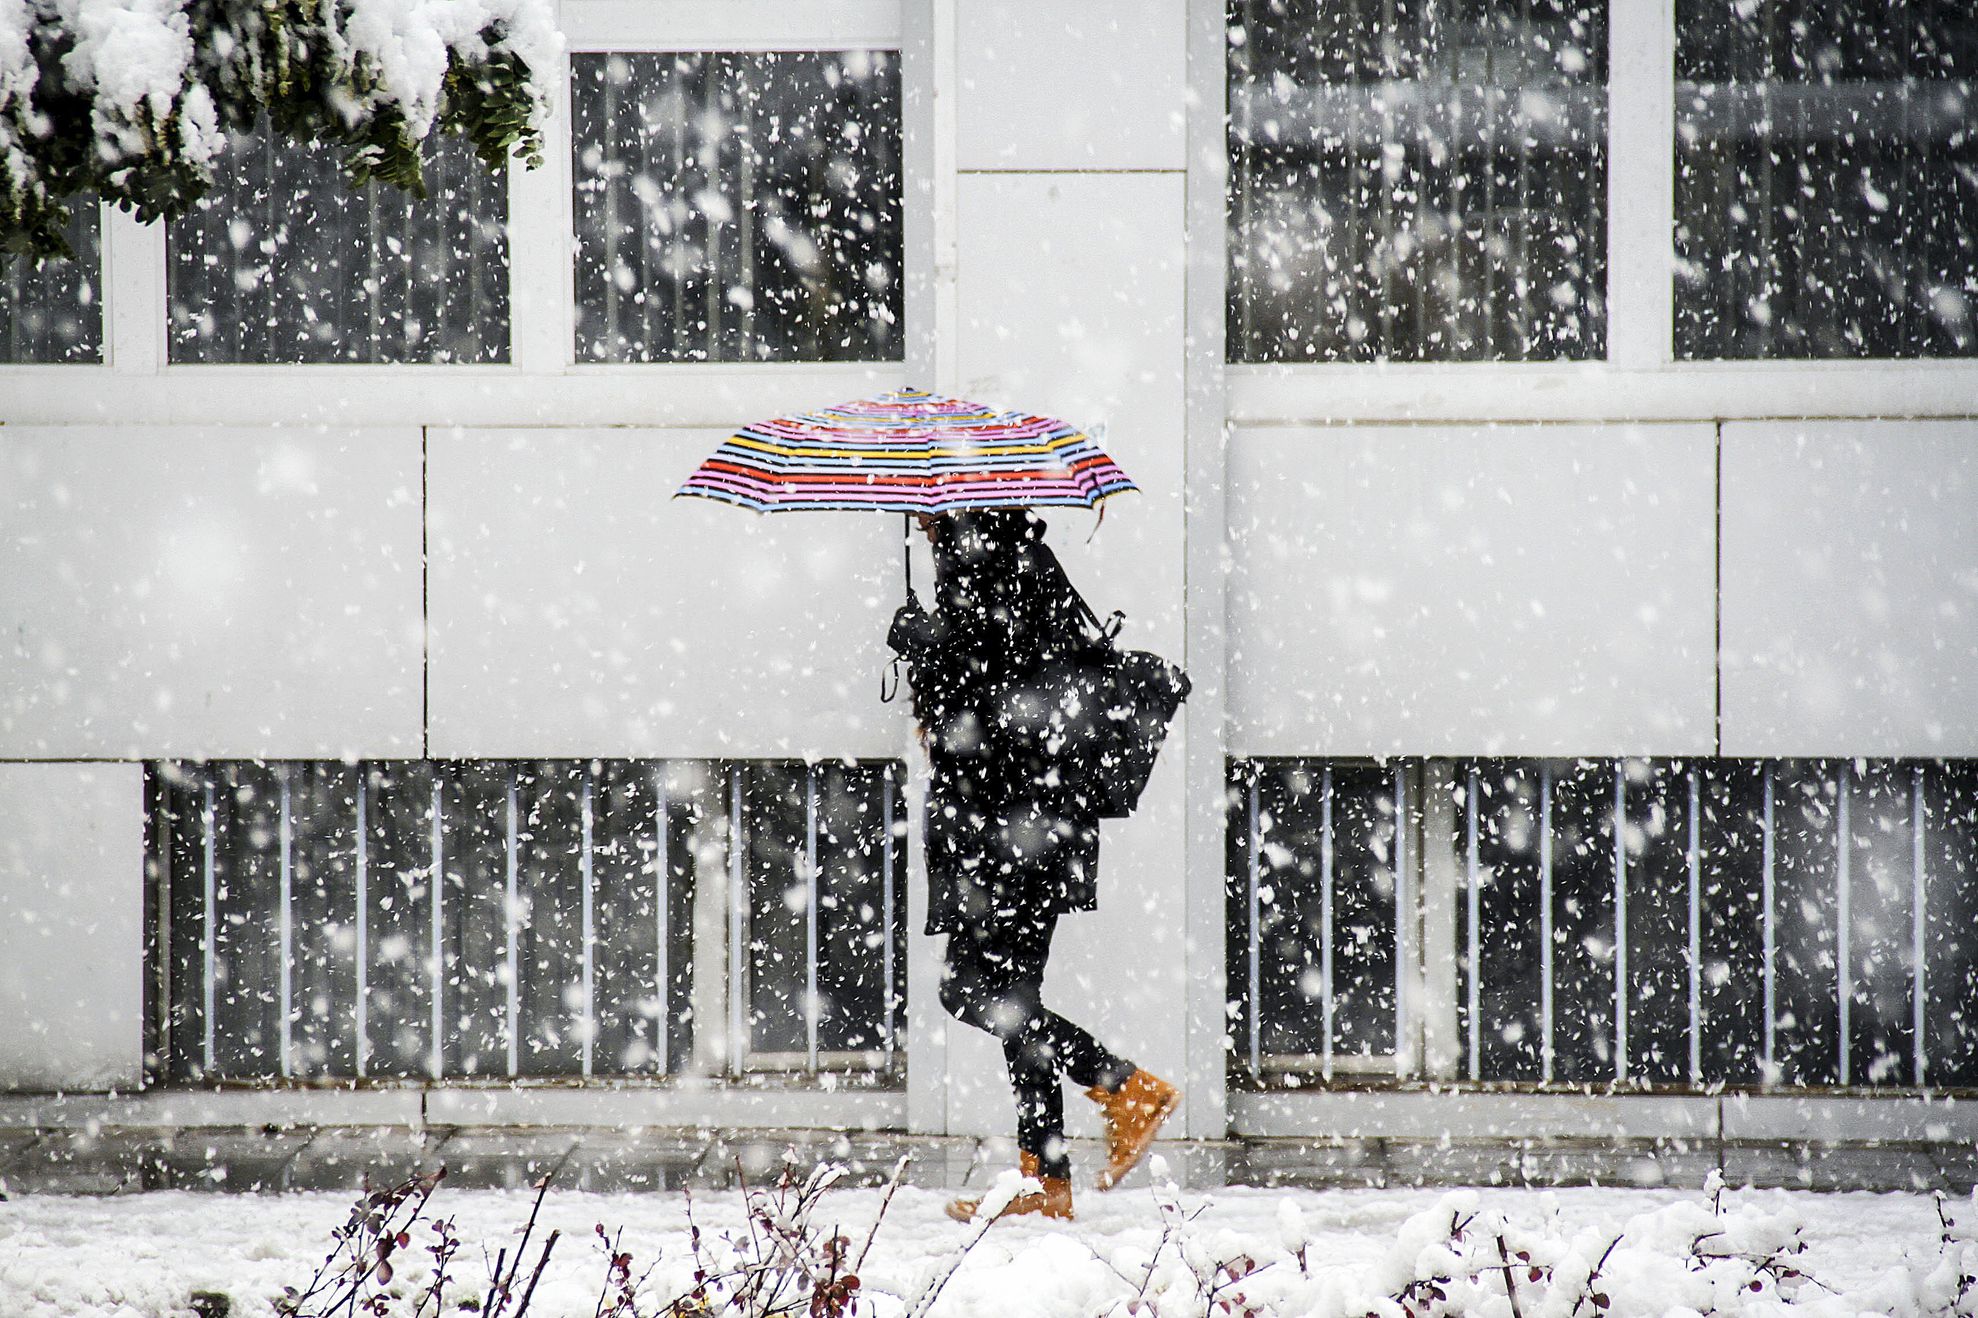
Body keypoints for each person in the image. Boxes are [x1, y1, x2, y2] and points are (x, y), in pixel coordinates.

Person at [887, 508, 1179, 1223]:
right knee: (1012, 995)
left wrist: (926, 646)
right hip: (1023, 823)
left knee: (971, 988)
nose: (919, 518)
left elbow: (1003, 703)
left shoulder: (991, 566)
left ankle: (1123, 1088)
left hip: (1015, 827)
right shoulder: (1005, 560)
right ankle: (1045, 1179)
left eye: (928, 508)